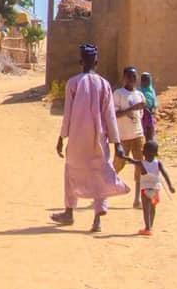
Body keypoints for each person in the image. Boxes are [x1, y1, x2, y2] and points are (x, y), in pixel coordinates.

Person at [54, 44, 128, 232]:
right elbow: (110, 116)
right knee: (100, 173)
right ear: (97, 62)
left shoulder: (73, 83)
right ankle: (97, 219)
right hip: (99, 139)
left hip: (77, 139)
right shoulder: (104, 84)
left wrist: (62, 137)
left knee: (71, 171)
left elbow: (68, 114)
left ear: (80, 62)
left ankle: (69, 211)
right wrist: (117, 143)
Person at [113, 67, 148, 205]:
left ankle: (137, 199)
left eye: (134, 77)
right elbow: (115, 114)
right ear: (124, 78)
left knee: (140, 166)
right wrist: (131, 109)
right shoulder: (118, 94)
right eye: (130, 77)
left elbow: (141, 115)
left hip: (138, 134)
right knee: (118, 165)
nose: (133, 80)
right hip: (123, 136)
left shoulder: (139, 95)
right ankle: (103, 191)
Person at [128, 139, 176, 236]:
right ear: (156, 153)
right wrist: (170, 186)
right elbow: (165, 174)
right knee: (153, 208)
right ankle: (151, 226)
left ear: (143, 152)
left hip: (145, 189)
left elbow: (131, 160)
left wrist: (122, 156)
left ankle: (147, 227)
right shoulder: (158, 163)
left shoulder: (141, 163)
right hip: (155, 189)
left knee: (146, 209)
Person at [139, 71, 159, 142]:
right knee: (143, 130)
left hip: (150, 113)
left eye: (147, 80)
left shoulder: (151, 90)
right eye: (143, 80)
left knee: (150, 129)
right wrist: (144, 108)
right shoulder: (139, 91)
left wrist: (153, 108)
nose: (145, 82)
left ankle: (150, 145)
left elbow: (155, 101)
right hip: (142, 114)